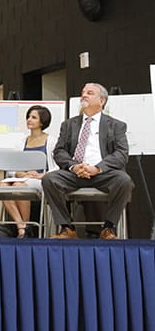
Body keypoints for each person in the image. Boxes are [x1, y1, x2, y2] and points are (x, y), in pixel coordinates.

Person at [43, 83, 133, 240]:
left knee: (124, 181)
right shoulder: (69, 124)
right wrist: (74, 166)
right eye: (83, 92)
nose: (84, 95)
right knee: (49, 179)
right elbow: (59, 151)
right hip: (75, 173)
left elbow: (121, 153)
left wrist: (98, 168)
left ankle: (108, 228)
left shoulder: (116, 125)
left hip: (102, 174)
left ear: (102, 101)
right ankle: (67, 228)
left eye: (90, 93)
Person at [0, 105, 58, 238]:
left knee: (19, 186)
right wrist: (18, 173)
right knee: (3, 186)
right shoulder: (21, 142)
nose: (29, 120)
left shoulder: (52, 142)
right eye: (28, 117)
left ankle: (26, 227)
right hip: (23, 178)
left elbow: (58, 166)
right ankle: (22, 226)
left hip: (41, 179)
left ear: (42, 121)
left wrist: (43, 175)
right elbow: (11, 167)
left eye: (33, 117)